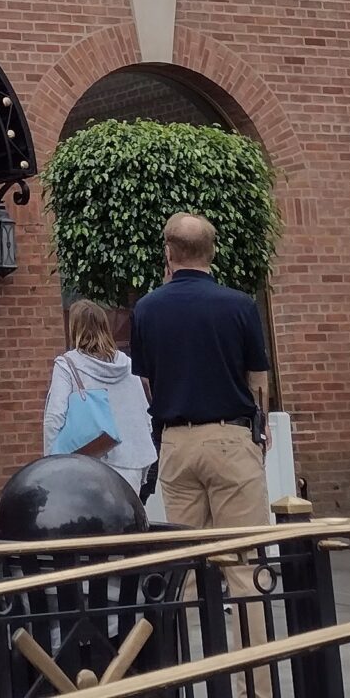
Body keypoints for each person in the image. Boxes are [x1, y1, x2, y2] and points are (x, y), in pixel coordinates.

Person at [130, 213, 271, 532]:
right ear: (212, 251)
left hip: (176, 440)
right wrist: (260, 424)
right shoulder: (240, 305)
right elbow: (257, 377)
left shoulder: (146, 309)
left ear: (168, 253)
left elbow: (146, 381)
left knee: (189, 558)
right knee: (242, 551)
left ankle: (192, 583)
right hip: (230, 435)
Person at [42, 299, 157, 496]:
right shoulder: (128, 365)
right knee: (127, 523)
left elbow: (54, 418)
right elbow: (145, 415)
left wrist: (51, 464)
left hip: (87, 464)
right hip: (132, 461)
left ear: (74, 328)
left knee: (90, 524)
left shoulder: (67, 365)